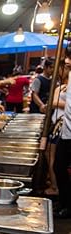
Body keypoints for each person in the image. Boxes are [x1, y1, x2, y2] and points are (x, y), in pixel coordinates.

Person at [46, 58, 71, 196]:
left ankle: (57, 189)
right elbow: (53, 101)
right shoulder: (61, 86)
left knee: (56, 161)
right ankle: (59, 190)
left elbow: (55, 102)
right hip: (59, 125)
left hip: (64, 128)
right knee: (55, 160)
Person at [55, 49, 71, 218]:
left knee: (60, 167)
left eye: (68, 58)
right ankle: (64, 202)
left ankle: (67, 206)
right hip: (66, 131)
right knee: (58, 167)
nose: (66, 61)